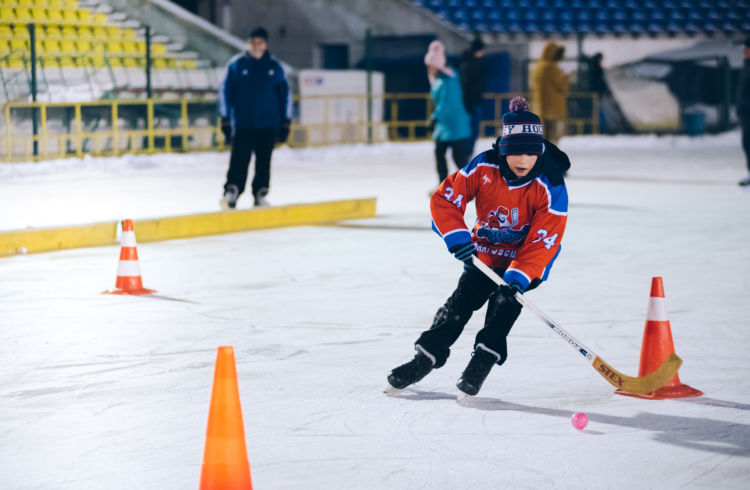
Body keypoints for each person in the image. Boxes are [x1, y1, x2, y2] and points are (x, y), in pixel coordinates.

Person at [387, 96, 570, 397]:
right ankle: (424, 358)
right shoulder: (483, 167)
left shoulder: (551, 185)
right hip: (483, 255)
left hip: (526, 262)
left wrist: (519, 277)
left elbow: (544, 239)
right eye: (515, 153)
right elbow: (446, 199)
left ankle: (481, 362)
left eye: (529, 154)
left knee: (503, 306)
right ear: (503, 150)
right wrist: (458, 236)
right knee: (458, 305)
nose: (522, 161)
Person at [218, 26, 291, 209]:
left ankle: (260, 192)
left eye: (260, 42)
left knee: (264, 161)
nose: (256, 46)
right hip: (244, 124)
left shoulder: (275, 67)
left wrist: (285, 121)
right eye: (253, 42)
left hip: (268, 124)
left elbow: (286, 96)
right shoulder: (237, 65)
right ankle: (232, 191)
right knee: (239, 159)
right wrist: (225, 118)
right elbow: (225, 92)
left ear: (265, 44)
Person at [425, 39, 472, 185]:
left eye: (430, 65)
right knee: (441, 154)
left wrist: (434, 118)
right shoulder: (443, 78)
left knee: (458, 157)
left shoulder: (447, 80)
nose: (428, 69)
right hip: (447, 125)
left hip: (454, 124)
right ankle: (443, 185)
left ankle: (471, 185)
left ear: (436, 65)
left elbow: (445, 103)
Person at [531, 42, 569, 145]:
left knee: (542, 138)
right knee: (553, 139)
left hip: (540, 109)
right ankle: (550, 159)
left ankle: (542, 158)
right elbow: (561, 86)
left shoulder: (537, 68)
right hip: (554, 110)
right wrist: (566, 77)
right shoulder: (551, 68)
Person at [459, 34, 489, 155]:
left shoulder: (469, 64)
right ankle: (467, 153)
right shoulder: (471, 65)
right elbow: (467, 87)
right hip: (471, 103)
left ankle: (467, 152)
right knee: (472, 130)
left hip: (471, 102)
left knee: (471, 130)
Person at [737, 37, 750, 186]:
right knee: (747, 143)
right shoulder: (745, 67)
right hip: (745, 113)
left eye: (747, 49)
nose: (744, 51)